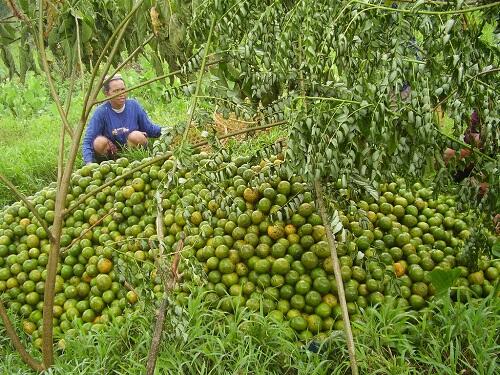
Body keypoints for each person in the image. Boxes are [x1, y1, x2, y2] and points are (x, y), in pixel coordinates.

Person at [82, 74, 162, 164]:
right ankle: (107, 165)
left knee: (136, 136)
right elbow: (88, 141)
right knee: (98, 142)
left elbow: (150, 129)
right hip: (112, 154)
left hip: (132, 149)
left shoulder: (133, 105)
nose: (121, 94)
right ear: (107, 94)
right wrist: (89, 164)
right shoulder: (101, 112)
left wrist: (169, 131)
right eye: (116, 91)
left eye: (123, 89)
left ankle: (137, 160)